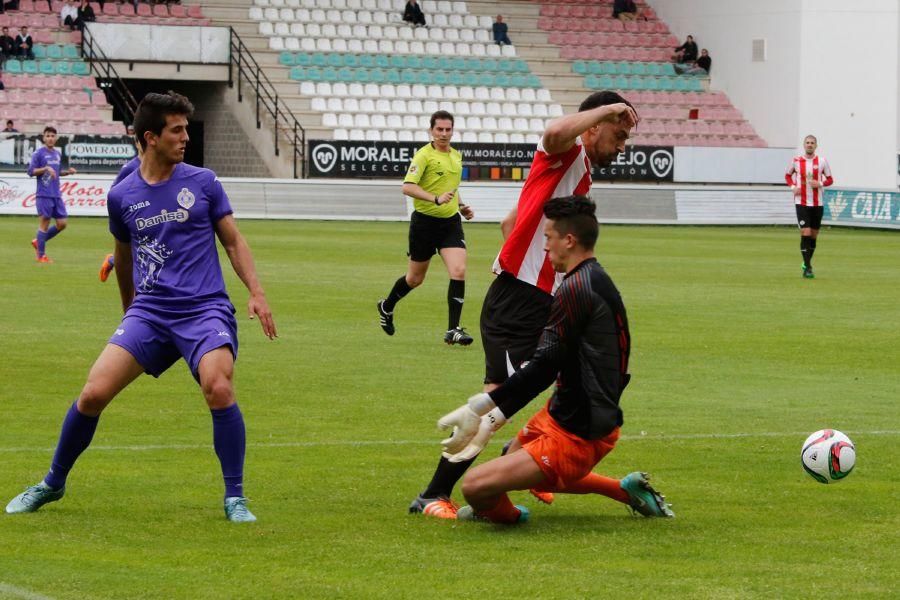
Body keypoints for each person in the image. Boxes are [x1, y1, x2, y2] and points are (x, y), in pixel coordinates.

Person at [5, 91, 277, 523]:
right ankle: (52, 483)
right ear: (150, 138)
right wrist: (130, 312)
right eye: (177, 130)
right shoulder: (122, 195)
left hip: (204, 309)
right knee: (93, 393)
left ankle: (235, 498)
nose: (186, 137)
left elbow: (233, 241)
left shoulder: (203, 182)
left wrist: (257, 292)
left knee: (219, 387)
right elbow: (124, 257)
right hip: (150, 313)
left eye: (186, 129)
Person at [409, 91, 639, 519]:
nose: (623, 145)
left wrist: (528, 260)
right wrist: (527, 271)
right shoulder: (566, 154)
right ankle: (439, 491)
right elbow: (553, 132)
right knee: (503, 398)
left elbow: (509, 223)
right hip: (523, 299)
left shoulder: (578, 170)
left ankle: (515, 462)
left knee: (551, 384)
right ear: (593, 126)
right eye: (619, 134)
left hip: (531, 295)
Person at [437, 196, 674, 524]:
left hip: (581, 431)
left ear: (569, 240)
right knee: (511, 460)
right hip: (566, 412)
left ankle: (510, 518)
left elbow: (542, 367)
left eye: (547, 238)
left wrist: (479, 407)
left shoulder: (575, 289)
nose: (544, 248)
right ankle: (625, 490)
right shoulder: (593, 279)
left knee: (476, 487)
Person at [377, 110, 475, 346]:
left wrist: (461, 205)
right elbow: (408, 187)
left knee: (459, 270)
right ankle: (386, 306)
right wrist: (435, 198)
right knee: (415, 279)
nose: (443, 133)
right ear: (431, 131)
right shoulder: (424, 156)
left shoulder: (456, 156)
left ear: (453, 130)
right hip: (424, 223)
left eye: (447, 129)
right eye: (439, 129)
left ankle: (453, 329)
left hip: (450, 223)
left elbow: (451, 186)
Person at [785, 134, 833, 279]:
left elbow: (830, 179)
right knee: (805, 232)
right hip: (801, 202)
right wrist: (793, 187)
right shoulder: (796, 161)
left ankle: (806, 262)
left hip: (817, 203)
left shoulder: (822, 161)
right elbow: (787, 176)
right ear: (804, 145)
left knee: (813, 235)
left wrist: (820, 183)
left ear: (816, 146)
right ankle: (808, 269)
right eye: (807, 142)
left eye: (812, 143)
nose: (810, 145)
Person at [28, 126, 77, 263]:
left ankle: (39, 241)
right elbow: (31, 171)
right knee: (44, 223)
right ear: (43, 138)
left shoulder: (57, 154)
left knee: (62, 223)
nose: (50, 138)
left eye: (52, 136)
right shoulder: (38, 154)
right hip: (44, 194)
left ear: (56, 138)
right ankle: (41, 256)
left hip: (56, 194)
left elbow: (57, 171)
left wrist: (68, 172)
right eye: (47, 136)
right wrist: (45, 168)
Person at [99, 126, 142, 282]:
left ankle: (111, 261)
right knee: (136, 253)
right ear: (137, 144)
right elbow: (115, 194)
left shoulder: (156, 167)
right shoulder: (130, 168)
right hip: (134, 216)